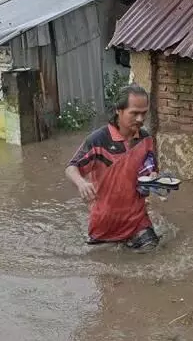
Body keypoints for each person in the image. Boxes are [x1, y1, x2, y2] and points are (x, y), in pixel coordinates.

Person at [65, 84, 160, 250]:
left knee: (153, 254)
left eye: (144, 113)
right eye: (134, 113)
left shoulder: (145, 139)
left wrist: (154, 178)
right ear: (119, 110)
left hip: (137, 221)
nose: (140, 119)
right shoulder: (98, 140)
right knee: (105, 269)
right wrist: (81, 183)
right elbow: (71, 167)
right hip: (105, 224)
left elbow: (151, 168)